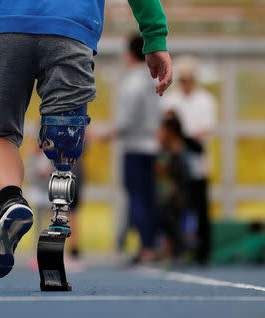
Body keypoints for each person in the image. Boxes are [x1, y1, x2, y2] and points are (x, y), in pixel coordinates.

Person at [0, 0, 172, 278]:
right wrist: (155, 37)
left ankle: (10, 200)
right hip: (72, 27)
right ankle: (58, 226)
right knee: (65, 135)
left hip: (8, 23)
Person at [91, 35, 162, 263]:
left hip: (135, 147)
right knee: (149, 198)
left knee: (138, 198)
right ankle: (150, 244)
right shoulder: (152, 79)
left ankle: (147, 248)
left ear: (130, 54)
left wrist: (103, 135)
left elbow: (126, 121)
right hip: (152, 146)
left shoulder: (133, 82)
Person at [162, 55, 217, 265]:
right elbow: (166, 131)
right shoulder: (170, 100)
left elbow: (205, 131)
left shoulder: (205, 99)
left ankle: (202, 252)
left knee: (200, 208)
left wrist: (183, 139)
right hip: (175, 165)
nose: (185, 80)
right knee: (173, 207)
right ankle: (174, 250)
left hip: (197, 163)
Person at [156, 117, 190, 261]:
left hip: (175, 191)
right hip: (167, 190)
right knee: (168, 221)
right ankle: (170, 251)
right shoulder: (166, 147)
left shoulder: (176, 148)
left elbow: (176, 171)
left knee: (173, 221)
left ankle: (176, 252)